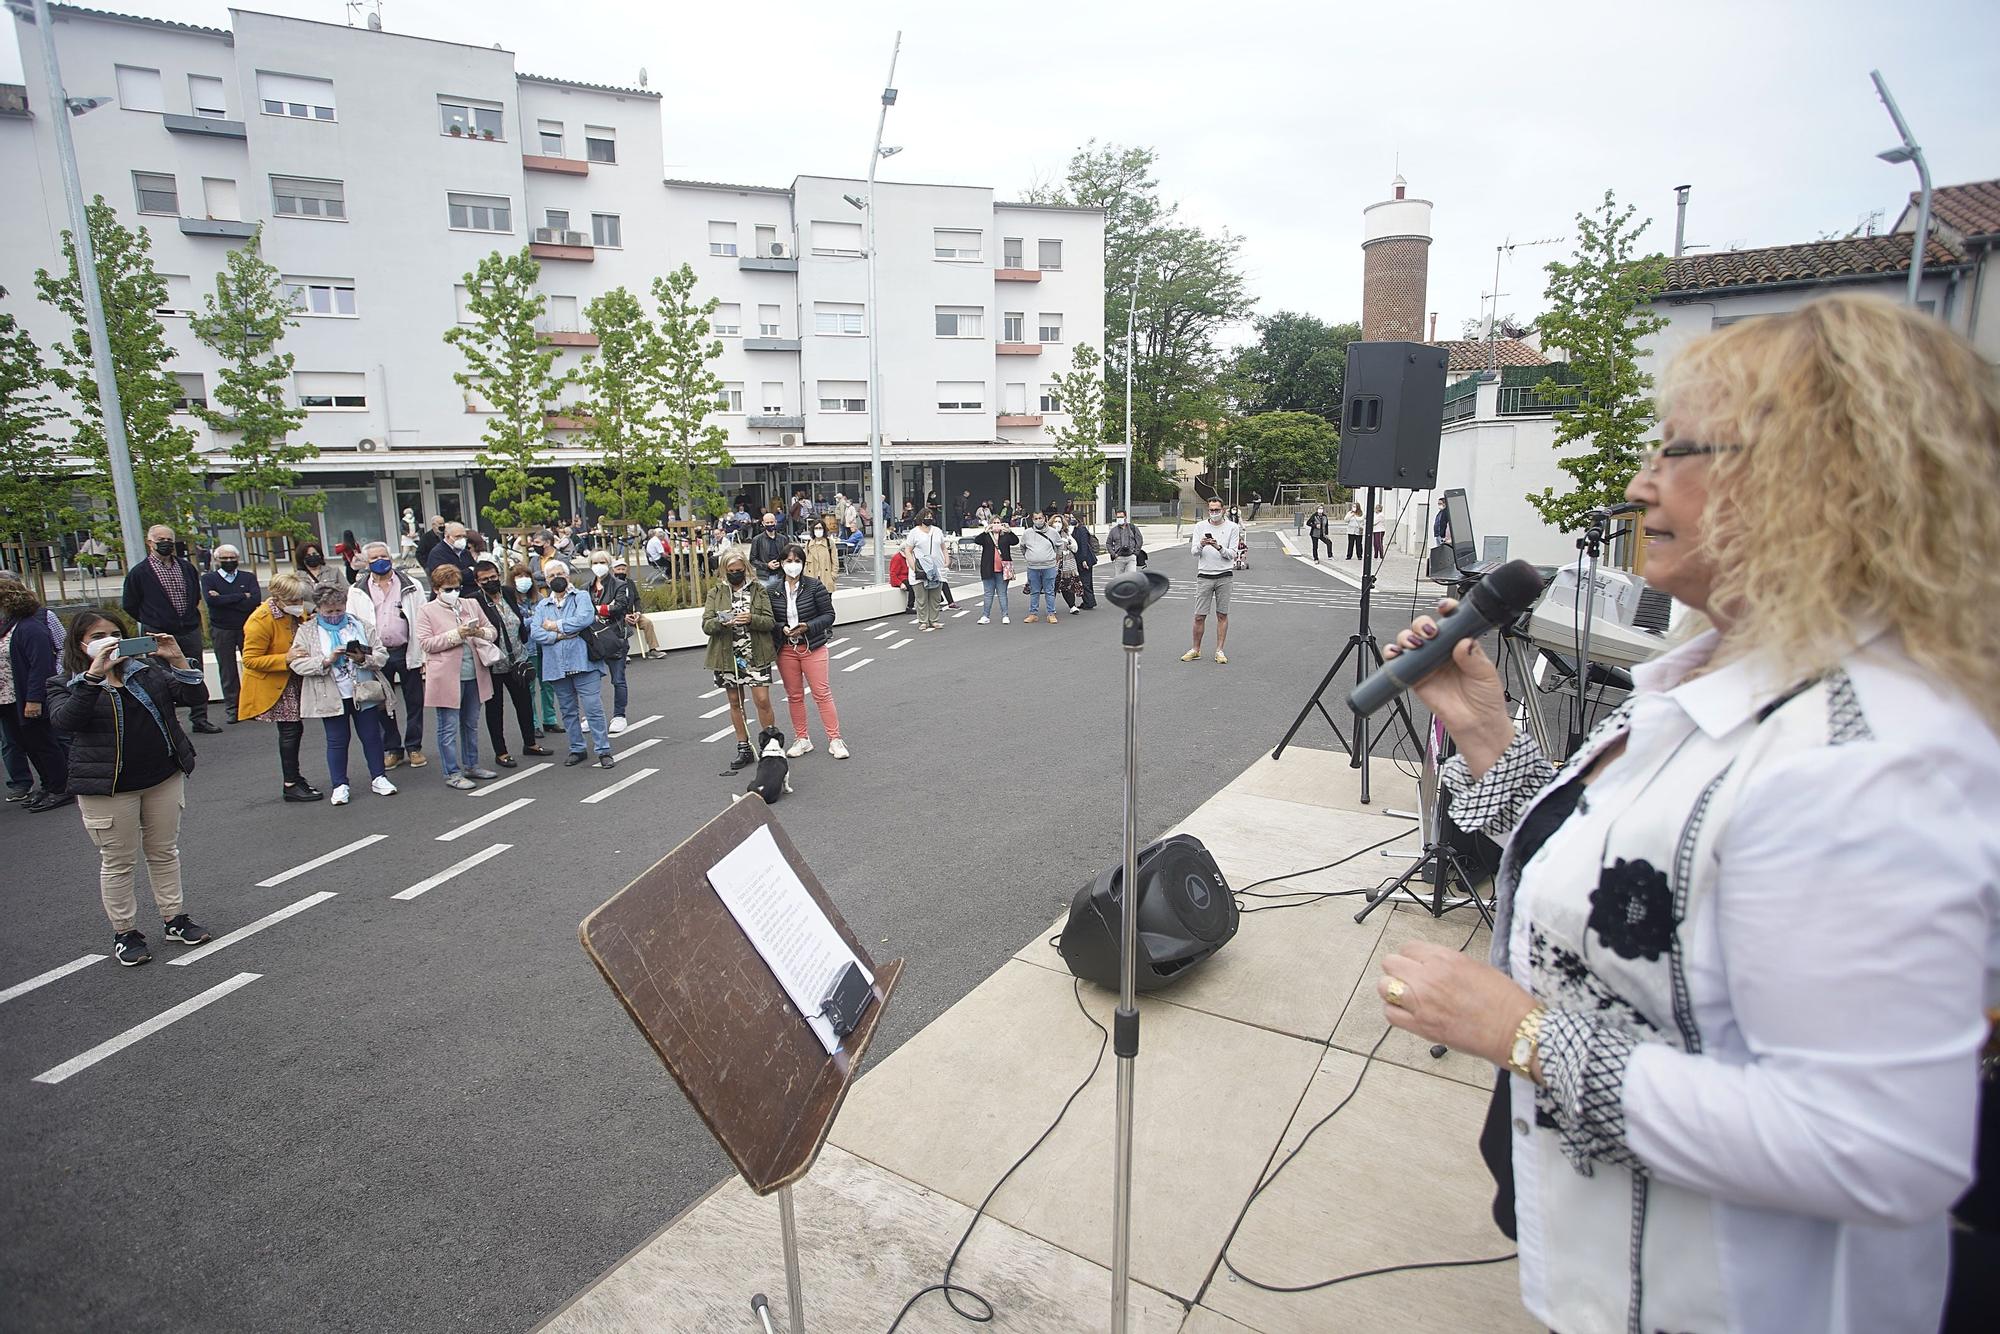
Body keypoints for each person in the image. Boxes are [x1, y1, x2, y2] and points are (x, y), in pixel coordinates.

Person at [1373, 294, 2000, 1334]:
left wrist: (1520, 1030)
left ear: (1818, 475)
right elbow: (1635, 883)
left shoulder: (1868, 759)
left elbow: (1872, 1146)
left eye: (1676, 451)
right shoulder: (1727, 676)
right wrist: (1484, 735)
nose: (1637, 484)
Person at [48, 613, 213, 965]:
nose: (110, 640)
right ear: (81, 643)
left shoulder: (146, 671)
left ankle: (175, 919)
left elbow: (195, 696)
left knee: (164, 851)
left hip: (161, 776)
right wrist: (93, 675)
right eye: (98, 635)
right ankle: (125, 933)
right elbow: (65, 722)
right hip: (107, 788)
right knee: (119, 861)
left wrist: (178, 659)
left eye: (115, 634)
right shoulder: (64, 682)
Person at [291, 582, 399, 806]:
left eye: (339, 610)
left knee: (371, 736)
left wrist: (362, 658)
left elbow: (381, 655)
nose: (334, 615)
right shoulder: (307, 631)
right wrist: (326, 660)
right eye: (328, 611)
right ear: (318, 608)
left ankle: (379, 777)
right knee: (337, 740)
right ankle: (340, 785)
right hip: (330, 693)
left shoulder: (360, 625)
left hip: (363, 689)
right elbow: (297, 664)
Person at [119, 523, 220, 733]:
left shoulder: (186, 567)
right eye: (160, 540)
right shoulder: (140, 573)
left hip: (188, 629)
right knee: (159, 676)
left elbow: (194, 595)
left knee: (193, 671)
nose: (165, 544)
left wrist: (189, 616)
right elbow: (130, 603)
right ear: (149, 543)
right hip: (158, 632)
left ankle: (200, 718)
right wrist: (152, 619)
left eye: (169, 540)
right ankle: (169, 722)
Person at [414, 564, 498, 790]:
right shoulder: (426, 611)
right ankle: (452, 771)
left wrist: (478, 632)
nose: (454, 592)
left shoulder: (471, 604)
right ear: (437, 589)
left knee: (471, 723)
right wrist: (455, 635)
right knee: (448, 727)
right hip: (446, 677)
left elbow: (492, 631)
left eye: (457, 588)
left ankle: (472, 764)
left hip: (474, 673)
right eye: (448, 589)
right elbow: (426, 643)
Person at [346, 541, 428, 769]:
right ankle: (392, 748)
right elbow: (352, 622)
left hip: (405, 650)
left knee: (414, 701)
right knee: (382, 703)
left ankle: (414, 747)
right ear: (366, 563)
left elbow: (422, 618)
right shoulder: (357, 591)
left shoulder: (411, 585)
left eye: (384, 556)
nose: (380, 561)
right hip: (375, 654)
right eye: (374, 558)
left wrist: (423, 654)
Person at [239, 572, 319, 802]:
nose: (298, 605)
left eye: (300, 600)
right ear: (277, 597)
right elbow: (251, 660)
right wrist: (286, 658)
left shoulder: (293, 611)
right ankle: (291, 783)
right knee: (290, 730)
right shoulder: (260, 620)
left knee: (294, 729)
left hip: (293, 678)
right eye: (293, 601)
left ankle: (294, 778)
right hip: (277, 682)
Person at [530, 559, 615, 769]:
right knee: (568, 710)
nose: (556, 578)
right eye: (551, 576)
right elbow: (536, 632)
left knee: (593, 708)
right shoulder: (542, 605)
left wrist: (555, 626)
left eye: (560, 574)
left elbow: (584, 619)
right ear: (546, 580)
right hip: (556, 665)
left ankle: (603, 750)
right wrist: (559, 636)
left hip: (584, 661)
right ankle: (577, 748)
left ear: (567, 576)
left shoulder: (582, 597)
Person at [703, 548, 778, 772]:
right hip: (728, 655)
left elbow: (769, 621)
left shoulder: (758, 590)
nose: (736, 574)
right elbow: (706, 625)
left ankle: (770, 744)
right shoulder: (715, 593)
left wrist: (751, 618)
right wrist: (720, 622)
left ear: (746, 568)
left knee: (762, 700)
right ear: (724, 571)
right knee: (735, 702)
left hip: (755, 654)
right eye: (731, 571)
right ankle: (743, 746)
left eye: (739, 570)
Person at [772, 543, 849, 759]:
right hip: (786, 649)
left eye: (797, 561)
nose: (793, 565)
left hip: (812, 646)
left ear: (803, 564)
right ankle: (802, 738)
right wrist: (781, 628)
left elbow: (828, 615)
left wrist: (808, 626)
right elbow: (770, 620)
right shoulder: (773, 591)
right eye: (788, 561)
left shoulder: (815, 587)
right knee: (794, 696)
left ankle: (835, 739)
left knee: (822, 693)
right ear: (781, 563)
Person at [0, 580, 68, 811]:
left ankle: (61, 788)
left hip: (26, 698)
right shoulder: (10, 625)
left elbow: (41, 666)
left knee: (45, 744)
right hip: (8, 698)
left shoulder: (30, 627)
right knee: (29, 745)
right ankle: (48, 785)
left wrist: (34, 699)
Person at [480, 560, 549, 765]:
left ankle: (530, 743)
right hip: (493, 663)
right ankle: (500, 751)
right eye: (485, 579)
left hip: (517, 658)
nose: (490, 581)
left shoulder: (508, 593)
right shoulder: (476, 600)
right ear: (477, 582)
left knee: (525, 702)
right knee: (495, 708)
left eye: (493, 577)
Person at [199, 543, 262, 723]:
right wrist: (242, 596)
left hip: (247, 628)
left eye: (232, 558)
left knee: (252, 668)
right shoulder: (209, 579)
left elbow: (255, 600)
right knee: (227, 670)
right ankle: (233, 709)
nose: (228, 561)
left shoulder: (248, 577)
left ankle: (253, 707)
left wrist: (224, 599)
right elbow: (212, 602)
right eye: (224, 558)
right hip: (222, 629)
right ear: (217, 560)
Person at [1182, 499, 1239, 664]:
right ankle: (1195, 649)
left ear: (1223, 510)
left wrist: (1218, 547)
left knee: (1222, 614)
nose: (1214, 513)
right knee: (1199, 616)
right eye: (1211, 510)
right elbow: (1193, 552)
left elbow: (1233, 554)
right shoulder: (1200, 527)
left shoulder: (1232, 528)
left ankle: (1219, 650)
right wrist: (1201, 545)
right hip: (1204, 575)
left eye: (1217, 510)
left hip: (1224, 575)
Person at [586, 550, 635, 733]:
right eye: (595, 562)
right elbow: (583, 610)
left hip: (615, 637)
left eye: (603, 561)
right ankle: (592, 715)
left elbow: (621, 607)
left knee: (618, 679)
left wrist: (597, 608)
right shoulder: (586, 587)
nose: (599, 565)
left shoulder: (619, 585)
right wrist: (606, 608)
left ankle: (619, 715)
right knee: (590, 681)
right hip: (592, 639)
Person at [1014, 512, 1065, 623]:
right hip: (1033, 567)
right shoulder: (1027, 533)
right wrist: (1029, 557)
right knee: (1034, 591)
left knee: (1049, 591)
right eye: (1036, 518)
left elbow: (1060, 545)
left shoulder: (1053, 532)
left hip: (1049, 566)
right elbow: (1022, 547)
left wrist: (1057, 556)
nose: (1038, 520)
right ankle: (1033, 614)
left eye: (1040, 518)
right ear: (1032, 519)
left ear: (1044, 518)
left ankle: (1051, 614)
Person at [904, 511, 949, 632]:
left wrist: (947, 561)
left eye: (930, 517)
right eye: (926, 517)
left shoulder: (937, 531)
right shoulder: (914, 532)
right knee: (921, 597)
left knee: (935, 596)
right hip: (920, 567)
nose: (929, 519)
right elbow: (908, 550)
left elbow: (943, 547)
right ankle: (923, 621)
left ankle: (934, 620)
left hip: (936, 568)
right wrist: (913, 566)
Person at [615, 556, 663, 658]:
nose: (621, 571)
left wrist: (637, 612)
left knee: (647, 623)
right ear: (613, 570)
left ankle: (653, 649)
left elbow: (637, 599)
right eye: (618, 569)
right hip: (618, 615)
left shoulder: (630, 583)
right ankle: (623, 653)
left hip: (632, 613)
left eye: (623, 569)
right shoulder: (611, 584)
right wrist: (623, 616)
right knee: (620, 626)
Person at [974, 519, 1016, 624]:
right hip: (988, 569)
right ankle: (985, 615)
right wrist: (985, 531)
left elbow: (1015, 541)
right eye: (994, 523)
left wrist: (1009, 530)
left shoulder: (1005, 535)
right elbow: (977, 540)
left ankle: (1005, 615)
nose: (996, 525)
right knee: (988, 593)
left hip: (1003, 569)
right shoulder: (987, 536)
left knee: (1002, 593)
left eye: (998, 523)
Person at [750, 512, 788, 593]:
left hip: (780, 575)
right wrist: (767, 565)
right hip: (764, 577)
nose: (770, 524)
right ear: (763, 523)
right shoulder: (757, 540)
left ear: (775, 522)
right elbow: (752, 560)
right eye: (767, 523)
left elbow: (787, 556)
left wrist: (781, 563)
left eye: (771, 522)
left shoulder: (783, 539)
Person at [1070, 515, 1100, 613]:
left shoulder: (1081, 530)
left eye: (1073, 517)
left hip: (1085, 559)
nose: (1071, 519)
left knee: (1085, 581)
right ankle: (1088, 600)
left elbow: (1083, 546)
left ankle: (1089, 602)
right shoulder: (1076, 529)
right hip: (1081, 558)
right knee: (1086, 581)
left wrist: (1083, 560)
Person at [1104, 508, 1145, 581]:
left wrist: (1136, 552)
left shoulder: (1133, 528)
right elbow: (1108, 543)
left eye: (1121, 517)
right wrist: (1113, 554)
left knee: (1131, 578)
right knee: (1119, 580)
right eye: (1118, 517)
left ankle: (1131, 592)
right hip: (1119, 558)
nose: (1119, 519)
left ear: (1125, 517)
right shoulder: (1113, 530)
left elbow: (1139, 540)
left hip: (1131, 557)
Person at [805, 514, 841, 587]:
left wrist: (833, 575)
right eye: (816, 528)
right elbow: (804, 561)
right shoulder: (808, 544)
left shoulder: (829, 543)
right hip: (811, 577)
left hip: (826, 577)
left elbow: (835, 560)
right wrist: (805, 574)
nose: (818, 530)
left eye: (820, 528)